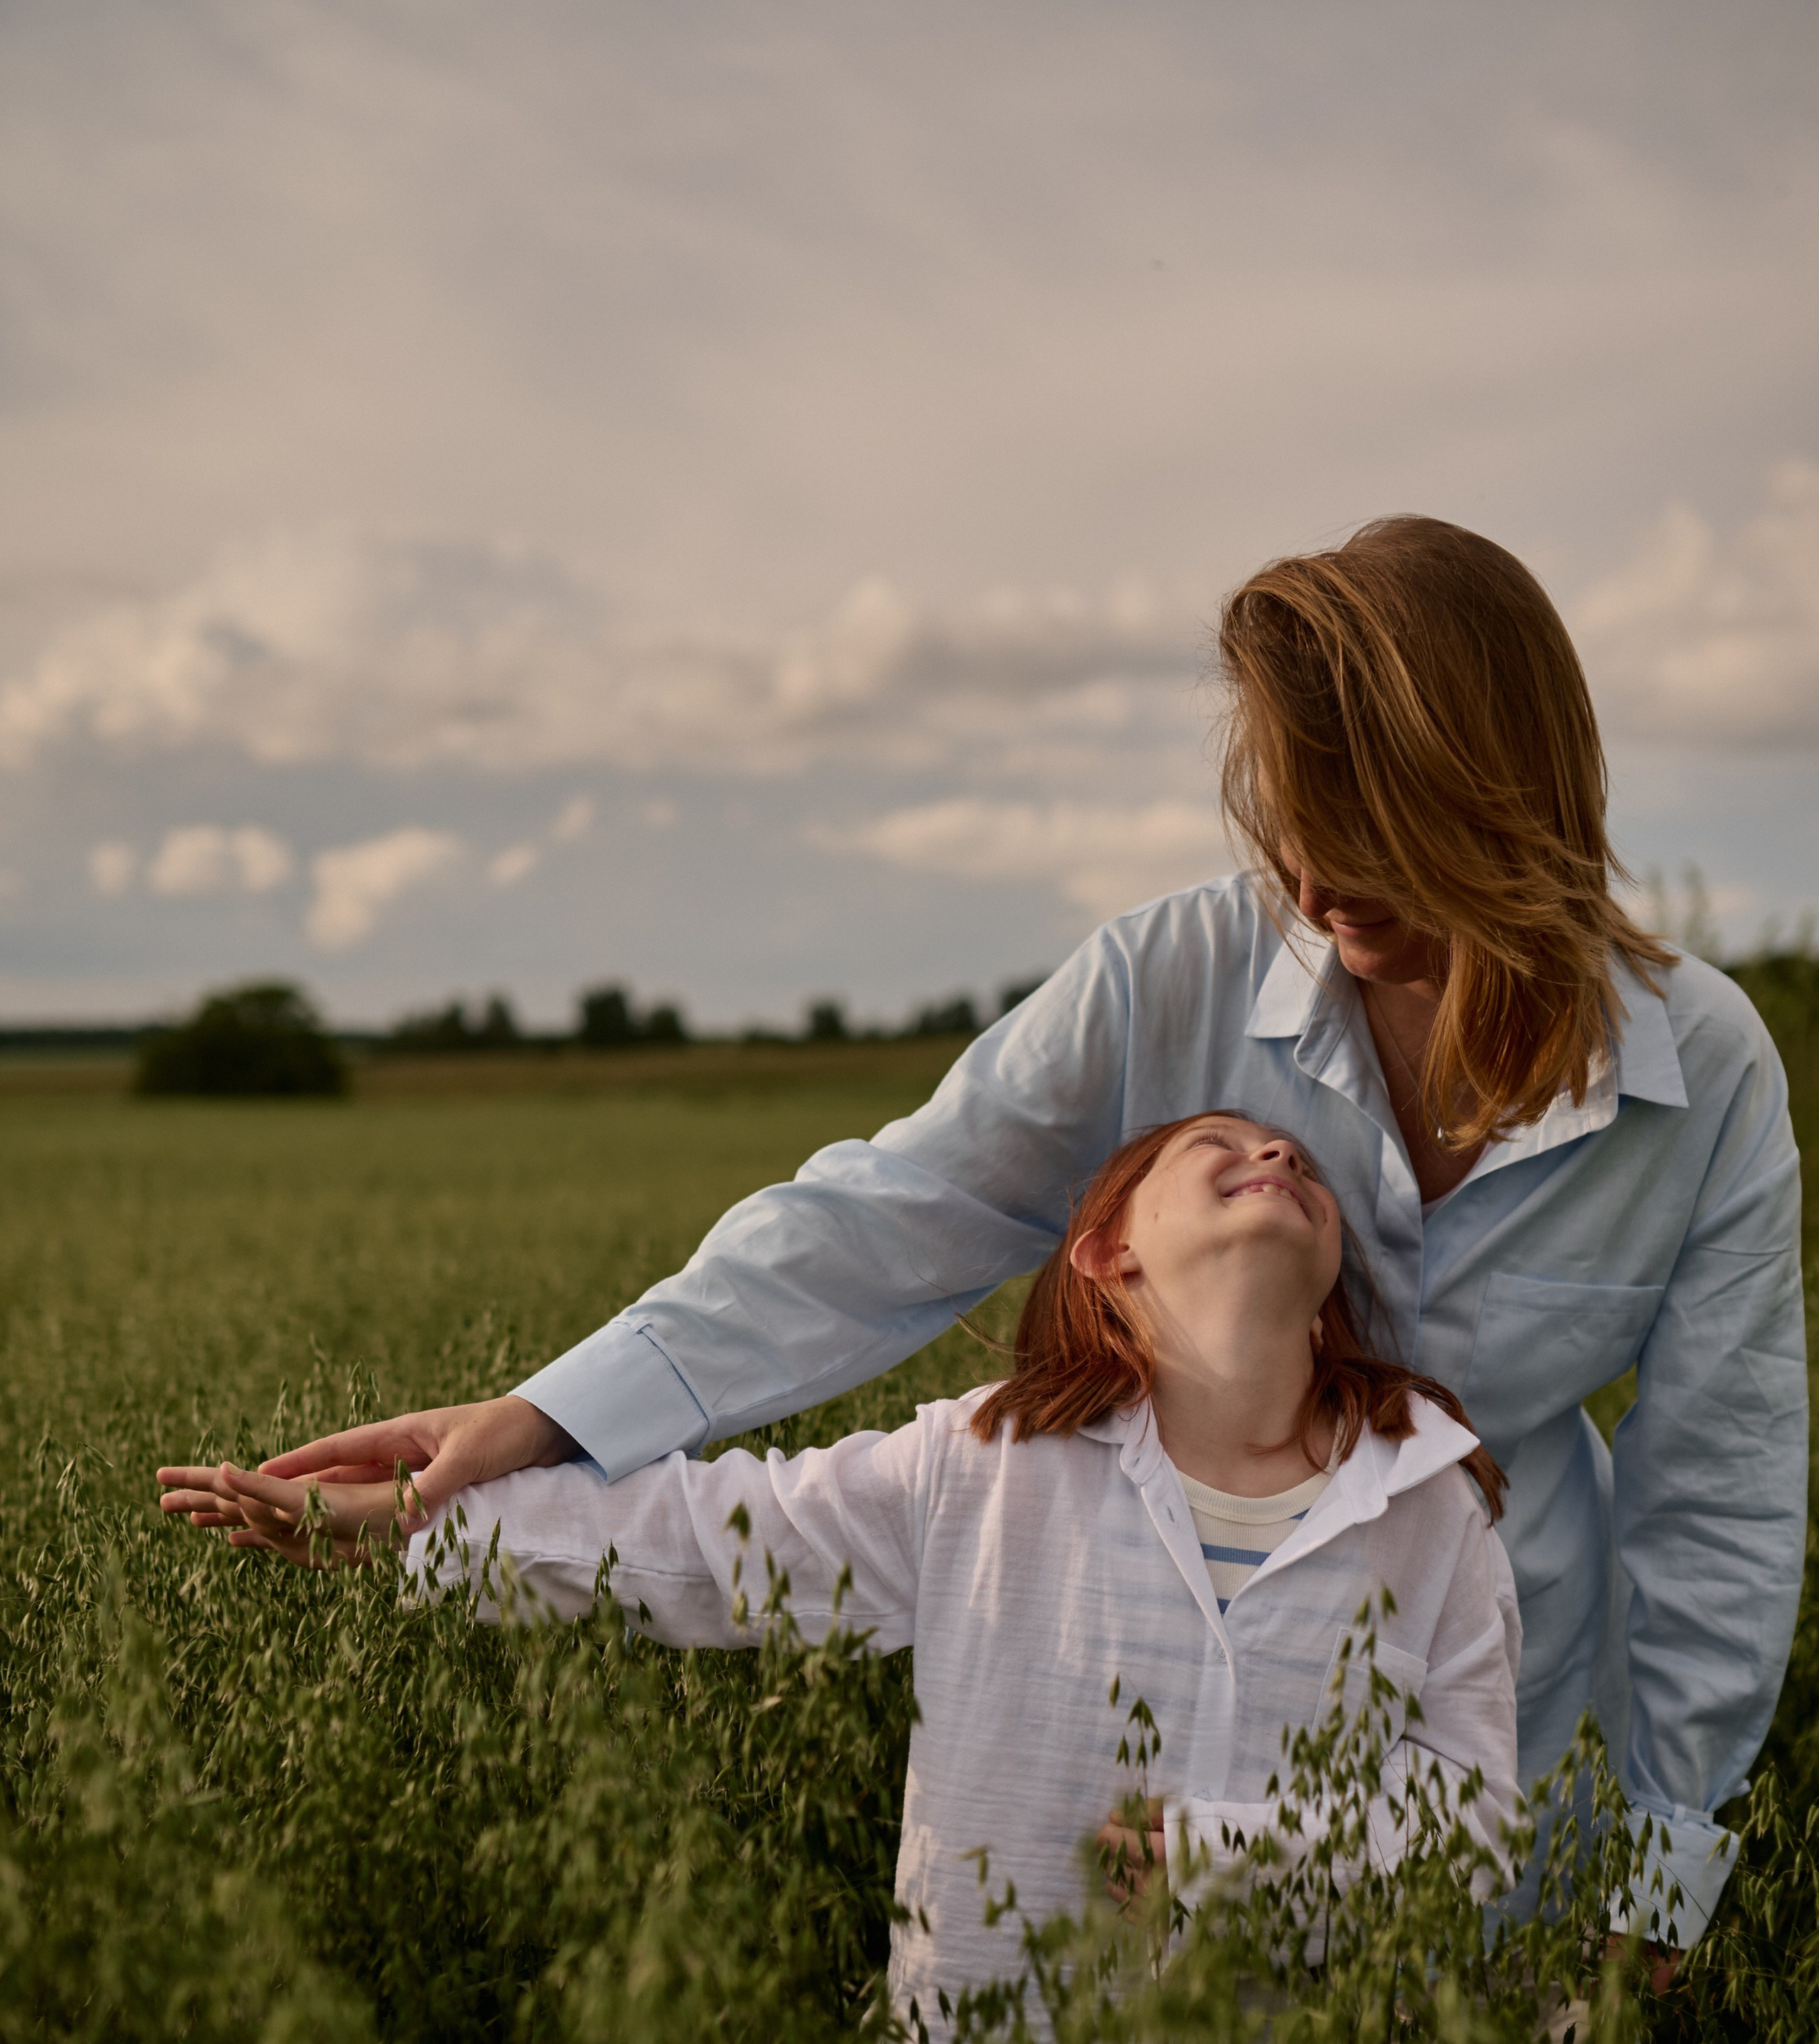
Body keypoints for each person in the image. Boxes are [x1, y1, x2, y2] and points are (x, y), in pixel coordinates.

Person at [163, 517, 1805, 1946]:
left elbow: (1715, 1491)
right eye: (1283, 817)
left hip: (1485, 1781)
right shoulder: (1169, 974)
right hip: (1134, 1766)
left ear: (1491, 793)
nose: (1308, 877)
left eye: (1363, 822)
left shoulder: (1702, 1068)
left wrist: (1647, 1881)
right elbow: (892, 1213)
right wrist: (536, 1417)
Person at [159, 1112, 1521, 2044]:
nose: (1275, 1158)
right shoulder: (986, 1468)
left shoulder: (1429, 1507)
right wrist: (419, 1521)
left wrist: (1223, 1853)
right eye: (1219, 1151)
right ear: (1108, 1253)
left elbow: (1472, 1825)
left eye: (1300, 1163)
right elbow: (699, 1541)